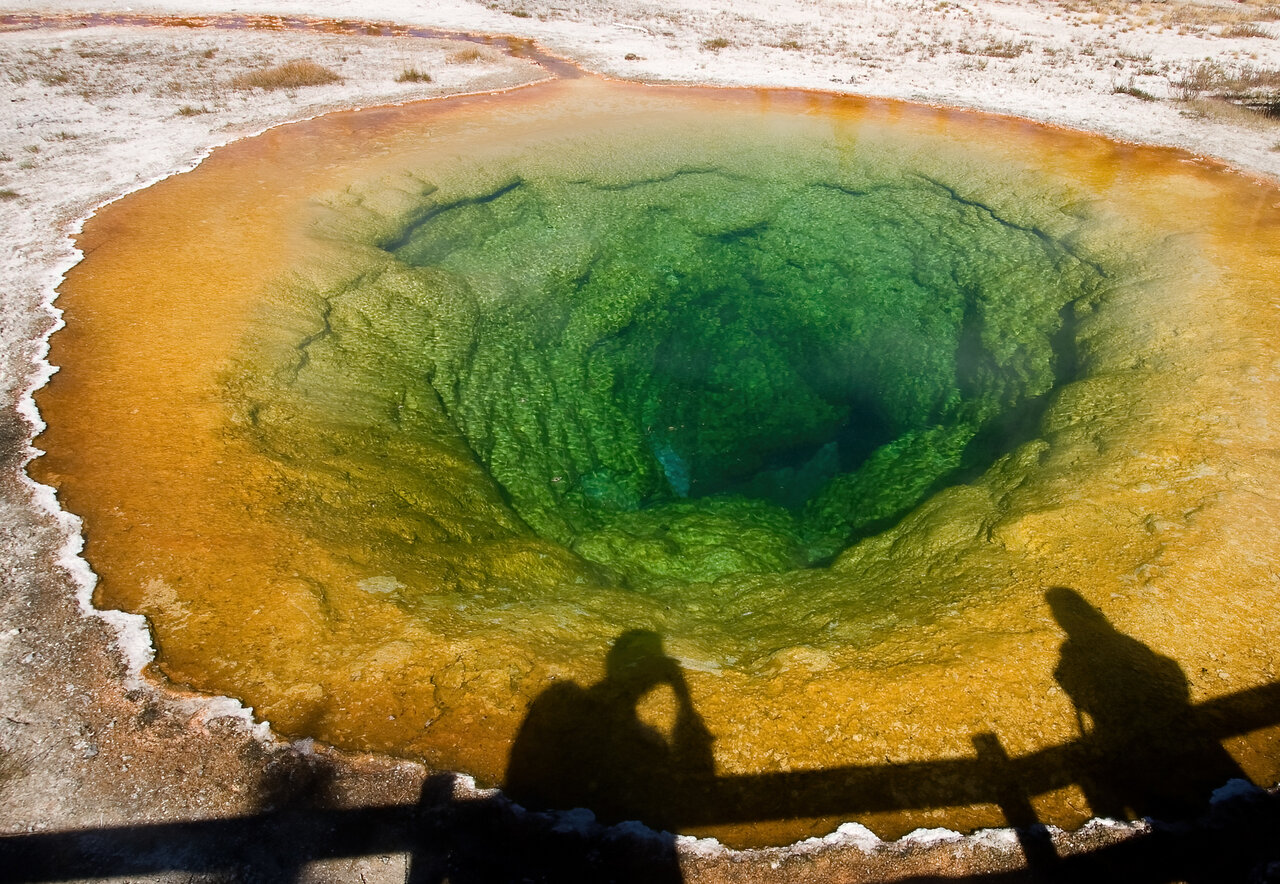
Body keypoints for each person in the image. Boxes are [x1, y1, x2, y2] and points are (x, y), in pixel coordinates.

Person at [1047, 586, 1247, 820]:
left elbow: (1069, 684)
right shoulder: (1132, 646)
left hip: (1119, 727)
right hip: (1162, 726)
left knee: (1148, 784)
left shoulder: (1070, 653)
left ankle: (1173, 819)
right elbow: (1173, 679)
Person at [504, 629, 715, 832]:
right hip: (603, 817)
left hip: (547, 811)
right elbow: (694, 785)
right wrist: (683, 697)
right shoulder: (640, 740)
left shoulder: (564, 704)